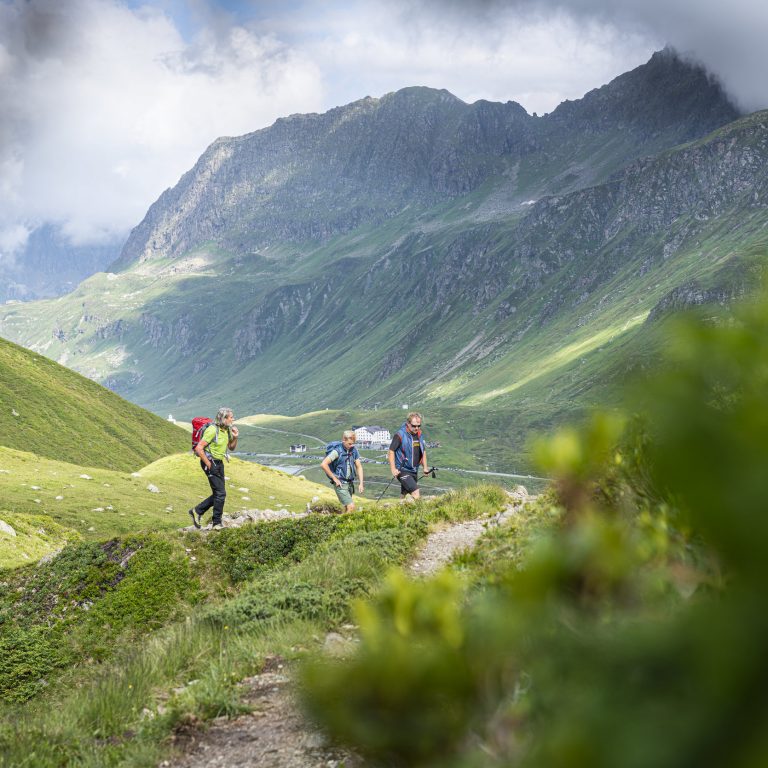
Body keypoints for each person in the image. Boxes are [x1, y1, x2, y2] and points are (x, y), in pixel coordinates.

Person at [189, 407, 238, 530]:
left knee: (218, 493)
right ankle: (216, 523)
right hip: (210, 462)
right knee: (221, 493)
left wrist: (235, 437)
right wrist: (209, 464)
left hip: (219, 462)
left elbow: (231, 447)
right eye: (231, 417)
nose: (233, 419)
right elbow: (199, 448)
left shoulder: (226, 430)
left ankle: (197, 511)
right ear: (224, 418)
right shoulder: (212, 430)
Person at [321, 430, 365, 512]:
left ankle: (342, 523)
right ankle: (346, 524)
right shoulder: (337, 451)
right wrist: (334, 479)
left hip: (349, 484)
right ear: (344, 440)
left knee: (347, 508)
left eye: (353, 443)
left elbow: (359, 466)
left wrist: (361, 483)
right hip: (340, 483)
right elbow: (323, 464)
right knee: (351, 507)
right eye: (349, 443)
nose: (351, 445)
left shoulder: (353, 450)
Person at [388, 412, 428, 500]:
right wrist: (393, 469)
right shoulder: (400, 435)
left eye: (419, 426)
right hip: (402, 470)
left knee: (404, 494)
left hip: (414, 470)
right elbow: (391, 451)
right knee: (415, 493)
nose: (416, 428)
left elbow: (423, 450)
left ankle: (399, 511)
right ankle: (418, 513)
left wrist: (425, 467)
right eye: (414, 426)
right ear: (408, 423)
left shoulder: (419, 434)